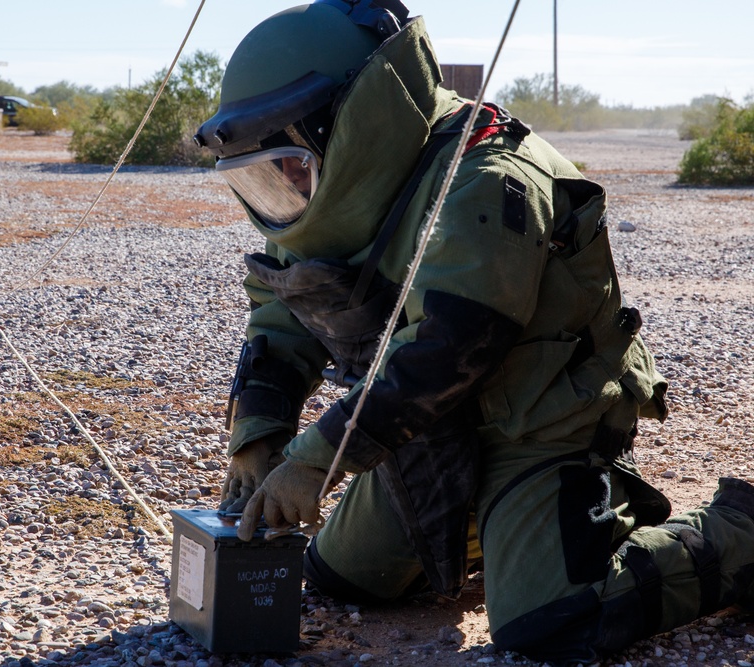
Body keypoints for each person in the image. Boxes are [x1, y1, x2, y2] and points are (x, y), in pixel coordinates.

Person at [193, 1, 754, 663]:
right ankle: (509, 524)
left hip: (542, 420)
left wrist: (314, 461)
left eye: (290, 162)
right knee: (342, 574)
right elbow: (282, 315)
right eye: (266, 174)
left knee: (550, 619)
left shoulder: (486, 179)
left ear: (357, 122)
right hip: (427, 426)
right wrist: (258, 436)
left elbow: (448, 349)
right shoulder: (333, 196)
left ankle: (737, 531)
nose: (284, 186)